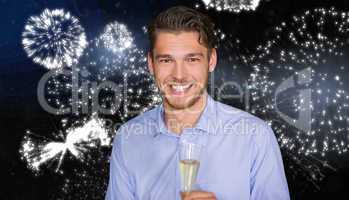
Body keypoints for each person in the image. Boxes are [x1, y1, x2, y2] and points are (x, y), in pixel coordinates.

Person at [105, 6, 290, 200]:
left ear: (211, 60)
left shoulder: (256, 137)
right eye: (166, 60)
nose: (179, 75)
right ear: (151, 64)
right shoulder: (127, 140)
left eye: (192, 59)